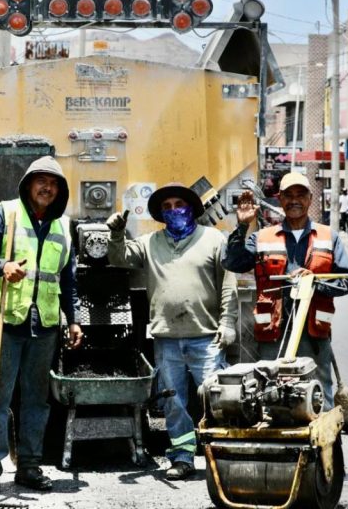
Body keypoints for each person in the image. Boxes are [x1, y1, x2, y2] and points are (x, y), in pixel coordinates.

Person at [106, 183, 238, 481]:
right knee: (174, 402)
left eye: (179, 204)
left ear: (191, 208)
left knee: (216, 398)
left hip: (207, 336)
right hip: (166, 339)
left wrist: (228, 323)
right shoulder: (150, 242)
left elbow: (229, 284)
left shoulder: (215, 240)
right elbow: (119, 258)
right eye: (167, 207)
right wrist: (115, 233)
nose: (173, 210)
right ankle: (182, 456)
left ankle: (224, 454)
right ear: (161, 215)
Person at [0, 156, 83, 498]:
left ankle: (30, 466)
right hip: (7, 320)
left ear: (59, 190)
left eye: (53, 182)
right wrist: (1, 266)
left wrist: (73, 320)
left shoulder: (64, 226)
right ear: (28, 184)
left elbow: (68, 279)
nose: (47, 187)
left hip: (44, 325)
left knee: (37, 400)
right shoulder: (6, 213)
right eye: (40, 180)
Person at [222, 172, 348, 412]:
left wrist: (313, 282)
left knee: (318, 391)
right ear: (280, 199)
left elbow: (346, 281)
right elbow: (232, 262)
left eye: (301, 195)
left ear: (310, 198)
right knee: (272, 392)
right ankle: (282, 446)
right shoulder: (262, 237)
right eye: (288, 195)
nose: (295, 200)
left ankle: (325, 446)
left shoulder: (328, 237)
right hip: (273, 330)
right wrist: (242, 225)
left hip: (314, 333)